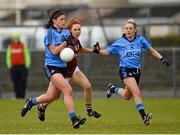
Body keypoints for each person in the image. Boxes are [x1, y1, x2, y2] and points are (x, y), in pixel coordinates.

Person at [20, 9, 86, 129]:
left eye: (64, 19)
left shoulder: (66, 32)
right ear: (54, 21)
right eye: (61, 19)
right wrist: (65, 44)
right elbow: (55, 51)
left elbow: (72, 45)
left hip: (63, 68)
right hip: (51, 66)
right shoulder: (49, 33)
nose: (63, 21)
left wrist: (71, 45)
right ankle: (74, 119)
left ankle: (31, 102)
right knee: (68, 90)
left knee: (52, 96)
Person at [99, 19, 170, 125]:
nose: (128, 30)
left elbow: (151, 50)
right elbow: (106, 52)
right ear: (124, 30)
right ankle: (144, 117)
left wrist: (162, 59)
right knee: (137, 93)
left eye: (130, 28)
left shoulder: (140, 40)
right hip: (125, 71)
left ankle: (113, 89)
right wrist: (97, 50)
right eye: (126, 28)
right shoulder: (120, 42)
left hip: (137, 72)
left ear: (135, 30)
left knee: (127, 96)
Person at [37, 18, 101, 122]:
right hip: (62, 72)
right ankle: (41, 107)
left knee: (88, 86)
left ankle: (89, 110)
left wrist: (93, 50)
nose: (78, 31)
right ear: (69, 30)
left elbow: (80, 49)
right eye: (75, 30)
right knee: (53, 97)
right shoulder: (65, 40)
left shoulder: (76, 40)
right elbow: (55, 51)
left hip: (73, 70)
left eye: (79, 29)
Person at [6, 32, 31, 99]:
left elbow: (27, 55)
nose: (15, 40)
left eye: (17, 38)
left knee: (23, 81)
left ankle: (22, 96)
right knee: (15, 82)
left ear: (19, 39)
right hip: (13, 67)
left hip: (22, 67)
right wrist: (9, 65)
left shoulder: (23, 46)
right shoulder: (10, 46)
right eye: (14, 38)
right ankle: (17, 96)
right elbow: (8, 56)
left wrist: (27, 64)